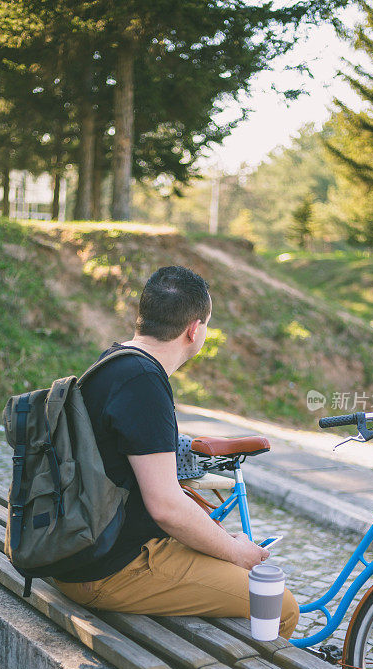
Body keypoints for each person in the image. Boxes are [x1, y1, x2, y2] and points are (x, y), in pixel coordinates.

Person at [54, 265, 299, 638]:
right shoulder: (144, 384)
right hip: (109, 569)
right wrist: (237, 553)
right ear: (194, 329)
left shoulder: (115, 362)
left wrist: (224, 541)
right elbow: (166, 507)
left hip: (83, 551)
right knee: (280, 606)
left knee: (224, 551)